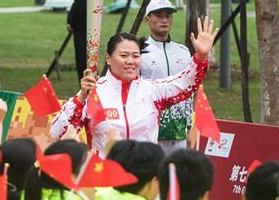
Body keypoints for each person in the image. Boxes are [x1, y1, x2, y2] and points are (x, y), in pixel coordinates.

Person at [51, 18, 215, 153]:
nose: (130, 61)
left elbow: (185, 83)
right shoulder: (94, 92)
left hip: (144, 176)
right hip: (104, 176)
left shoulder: (152, 91)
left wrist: (200, 56)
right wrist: (81, 98)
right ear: (108, 59)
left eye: (136, 56)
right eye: (124, 55)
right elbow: (57, 133)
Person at [140, 0, 195, 152]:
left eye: (168, 16)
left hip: (178, 128)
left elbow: (189, 90)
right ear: (147, 19)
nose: (164, 20)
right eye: (158, 16)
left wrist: (189, 126)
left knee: (177, 166)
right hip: (149, 127)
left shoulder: (183, 52)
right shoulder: (139, 52)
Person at [66, 0, 88, 82]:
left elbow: (79, 8)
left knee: (83, 60)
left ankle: (85, 84)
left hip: (82, 29)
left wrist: (71, 21)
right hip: (83, 28)